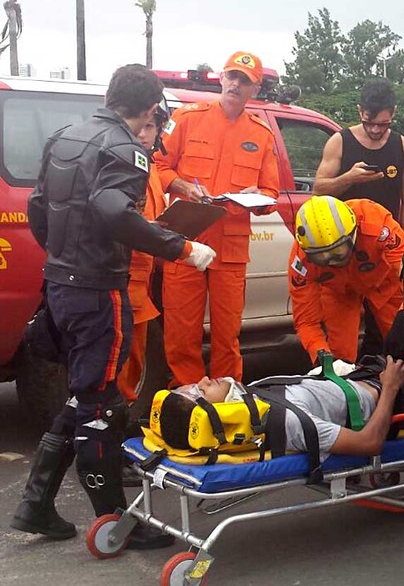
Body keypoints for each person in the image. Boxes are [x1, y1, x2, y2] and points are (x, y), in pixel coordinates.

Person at [14, 65, 216, 546]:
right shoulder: (125, 150)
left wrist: (62, 257)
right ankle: (116, 521)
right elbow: (113, 212)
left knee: (86, 391)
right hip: (98, 290)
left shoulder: (65, 137)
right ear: (149, 110)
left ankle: (36, 503)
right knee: (100, 403)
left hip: (61, 283)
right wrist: (181, 247)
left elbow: (40, 207)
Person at [155, 51, 281, 385]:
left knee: (228, 334)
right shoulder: (186, 118)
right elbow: (158, 165)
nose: (236, 85)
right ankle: (186, 394)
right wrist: (183, 185)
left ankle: (225, 399)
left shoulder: (261, 134)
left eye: (245, 82)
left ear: (255, 90)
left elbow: (272, 195)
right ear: (222, 78)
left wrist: (255, 198)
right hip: (186, 239)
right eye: (232, 77)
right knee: (181, 329)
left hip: (231, 246)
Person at [158, 360, 404, 460]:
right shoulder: (288, 422)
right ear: (212, 416)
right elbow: (369, 443)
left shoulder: (253, 399)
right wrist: (390, 387)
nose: (203, 379)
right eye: (200, 391)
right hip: (400, 397)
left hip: (370, 376)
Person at [288, 196, 404, 364]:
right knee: (339, 357)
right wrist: (321, 356)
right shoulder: (301, 261)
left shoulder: (377, 225)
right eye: (321, 258)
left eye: (338, 253)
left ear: (353, 234)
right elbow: (306, 321)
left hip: (384, 281)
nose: (332, 262)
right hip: (338, 291)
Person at [313, 78, 404, 236]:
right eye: (368, 122)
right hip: (345, 240)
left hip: (385, 239)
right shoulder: (339, 142)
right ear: (360, 111)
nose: (375, 129)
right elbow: (318, 191)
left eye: (383, 123)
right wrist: (349, 178)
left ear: (393, 112)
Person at [117, 103, 172, 405]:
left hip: (142, 284)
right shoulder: (121, 164)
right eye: (141, 124)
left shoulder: (148, 168)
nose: (143, 132)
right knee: (119, 366)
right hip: (122, 282)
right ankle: (108, 434)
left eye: (151, 127)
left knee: (134, 365)